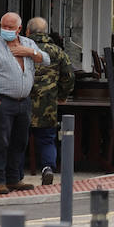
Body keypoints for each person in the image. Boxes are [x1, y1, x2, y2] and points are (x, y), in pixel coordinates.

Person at [0, 12, 50, 194]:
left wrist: (30, 52)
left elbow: (46, 60)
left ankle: (13, 179)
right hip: (3, 101)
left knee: (20, 142)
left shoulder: (28, 44)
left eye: (11, 27)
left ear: (19, 29)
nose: (7, 30)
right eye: (4, 26)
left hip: (24, 102)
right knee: (1, 142)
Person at [26, 18, 73, 186]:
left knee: (18, 137)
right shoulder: (57, 51)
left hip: (22, 100)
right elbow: (69, 76)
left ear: (27, 31)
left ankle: (15, 173)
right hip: (48, 103)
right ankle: (47, 168)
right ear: (46, 32)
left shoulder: (22, 49)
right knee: (47, 138)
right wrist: (62, 95)